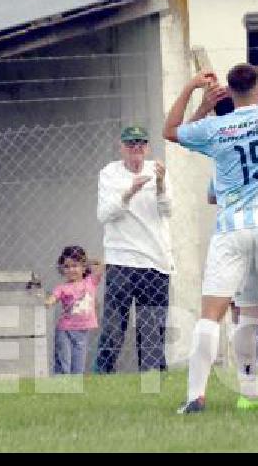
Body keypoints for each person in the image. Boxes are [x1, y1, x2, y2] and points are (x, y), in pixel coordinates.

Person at [164, 65, 258, 413]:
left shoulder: (215, 128)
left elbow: (171, 131)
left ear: (228, 92)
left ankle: (195, 397)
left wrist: (191, 89)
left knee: (211, 315)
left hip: (231, 230)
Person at [94, 125, 174, 373]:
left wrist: (160, 184)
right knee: (114, 326)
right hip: (122, 259)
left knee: (153, 325)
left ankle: (153, 377)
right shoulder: (109, 173)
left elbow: (168, 211)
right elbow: (104, 214)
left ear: (147, 147)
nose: (136, 149)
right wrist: (129, 192)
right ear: (122, 148)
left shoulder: (158, 171)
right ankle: (103, 373)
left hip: (155, 260)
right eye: (131, 144)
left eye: (141, 143)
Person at [45, 245, 104, 375]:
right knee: (64, 361)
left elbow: (100, 265)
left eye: (75, 265)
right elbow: (53, 298)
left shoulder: (90, 282)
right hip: (65, 330)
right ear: (62, 269)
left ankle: (75, 385)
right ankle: (62, 385)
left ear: (83, 267)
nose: (71, 269)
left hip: (83, 331)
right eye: (67, 266)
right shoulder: (62, 288)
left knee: (78, 363)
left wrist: (87, 262)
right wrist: (49, 302)